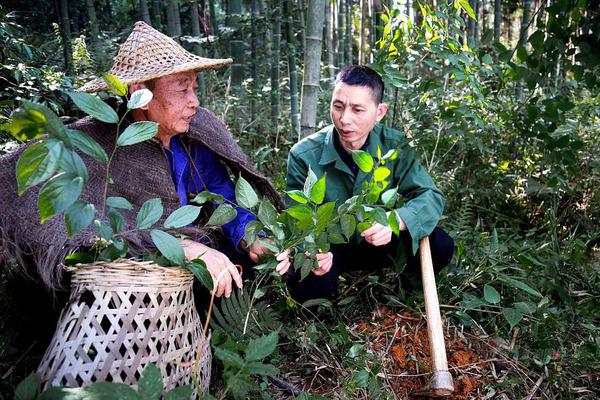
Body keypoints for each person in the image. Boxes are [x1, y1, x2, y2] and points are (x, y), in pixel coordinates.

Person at [0, 21, 285, 299]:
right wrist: (178, 246)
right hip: (129, 276)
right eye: (182, 89)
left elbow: (223, 192)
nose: (195, 101)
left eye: (195, 89)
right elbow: (82, 226)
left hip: (200, 246)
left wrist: (249, 236)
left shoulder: (195, 132)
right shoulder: (99, 141)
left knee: (286, 270)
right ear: (141, 95)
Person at [281, 65, 454, 302]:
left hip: (380, 240)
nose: (344, 119)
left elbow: (430, 196)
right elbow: (296, 221)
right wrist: (312, 253)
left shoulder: (395, 146)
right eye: (338, 107)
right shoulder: (304, 154)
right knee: (306, 286)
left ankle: (405, 297)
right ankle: (321, 317)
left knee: (441, 244)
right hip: (332, 245)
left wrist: (396, 221)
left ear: (380, 112)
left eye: (358, 110)